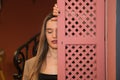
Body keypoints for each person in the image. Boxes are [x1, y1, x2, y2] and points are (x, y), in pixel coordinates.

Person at [22, 4, 59, 80]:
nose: (54, 35)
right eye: (49, 31)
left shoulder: (76, 63)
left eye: (59, 31)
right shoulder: (30, 64)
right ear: (45, 35)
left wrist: (70, 15)